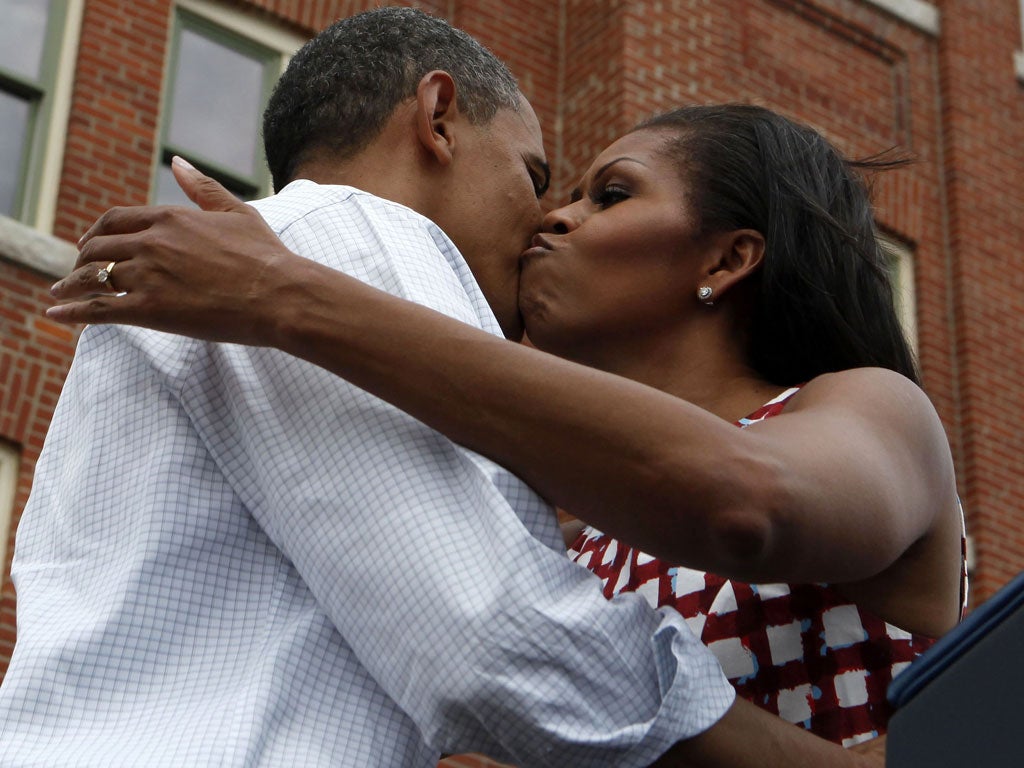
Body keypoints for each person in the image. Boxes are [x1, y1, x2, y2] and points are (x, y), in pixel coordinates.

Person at [0, 7, 881, 768]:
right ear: (439, 117)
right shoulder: (355, 230)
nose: (546, 220)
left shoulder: (258, 265)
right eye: (535, 177)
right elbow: (486, 637)